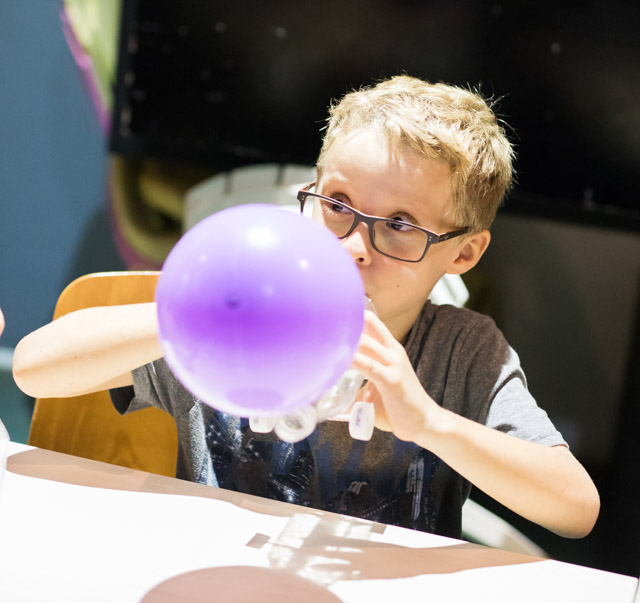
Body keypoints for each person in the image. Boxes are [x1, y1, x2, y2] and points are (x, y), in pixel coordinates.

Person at [13, 76, 599, 539]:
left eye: (400, 224)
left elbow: (575, 509)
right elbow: (34, 369)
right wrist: (191, 314)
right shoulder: (233, 324)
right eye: (337, 204)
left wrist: (428, 422)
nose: (353, 247)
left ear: (463, 253)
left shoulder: (460, 351)